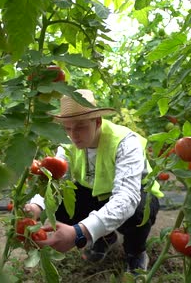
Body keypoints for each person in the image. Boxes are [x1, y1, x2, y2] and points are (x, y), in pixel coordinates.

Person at [24, 89, 164, 274]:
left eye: (80, 126)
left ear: (97, 122)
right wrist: (35, 206)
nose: (73, 135)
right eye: (67, 128)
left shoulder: (125, 142)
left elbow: (126, 198)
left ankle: (135, 252)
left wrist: (81, 233)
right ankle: (104, 238)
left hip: (137, 194)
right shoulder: (67, 144)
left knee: (138, 213)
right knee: (57, 204)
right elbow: (55, 184)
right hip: (94, 195)